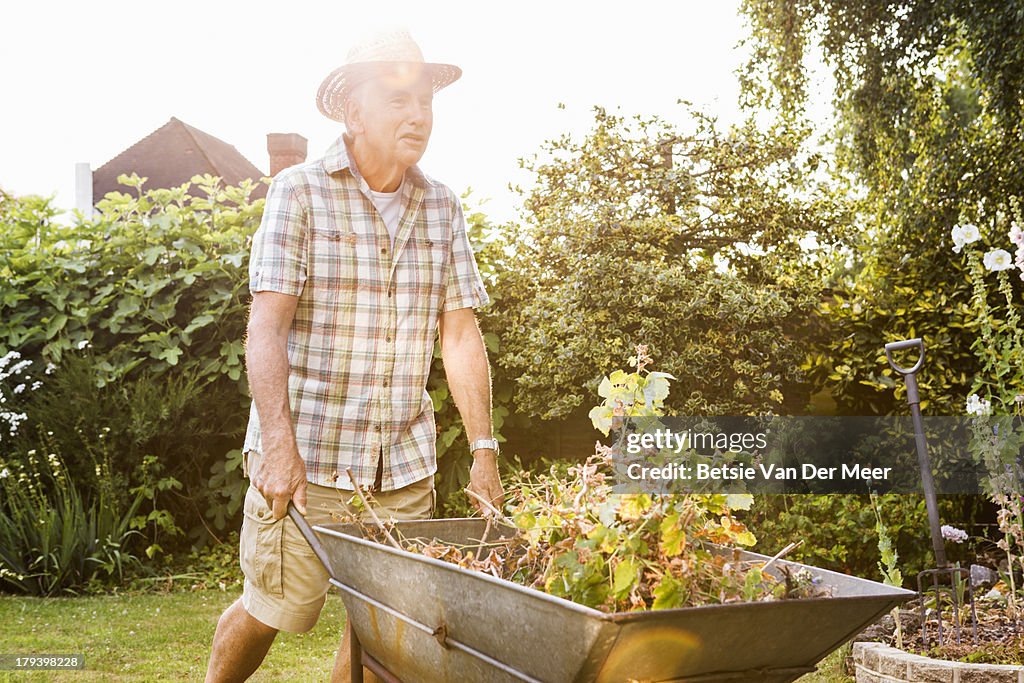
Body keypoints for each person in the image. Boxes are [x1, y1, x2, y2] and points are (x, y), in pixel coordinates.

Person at [204, 29, 504, 683]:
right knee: (272, 608)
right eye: (398, 98)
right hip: (308, 463)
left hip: (401, 468)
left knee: (386, 638)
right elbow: (266, 329)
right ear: (354, 110)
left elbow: (459, 335)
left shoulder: (442, 207)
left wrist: (484, 450)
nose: (418, 114)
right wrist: (278, 443)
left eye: (424, 99)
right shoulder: (299, 194)